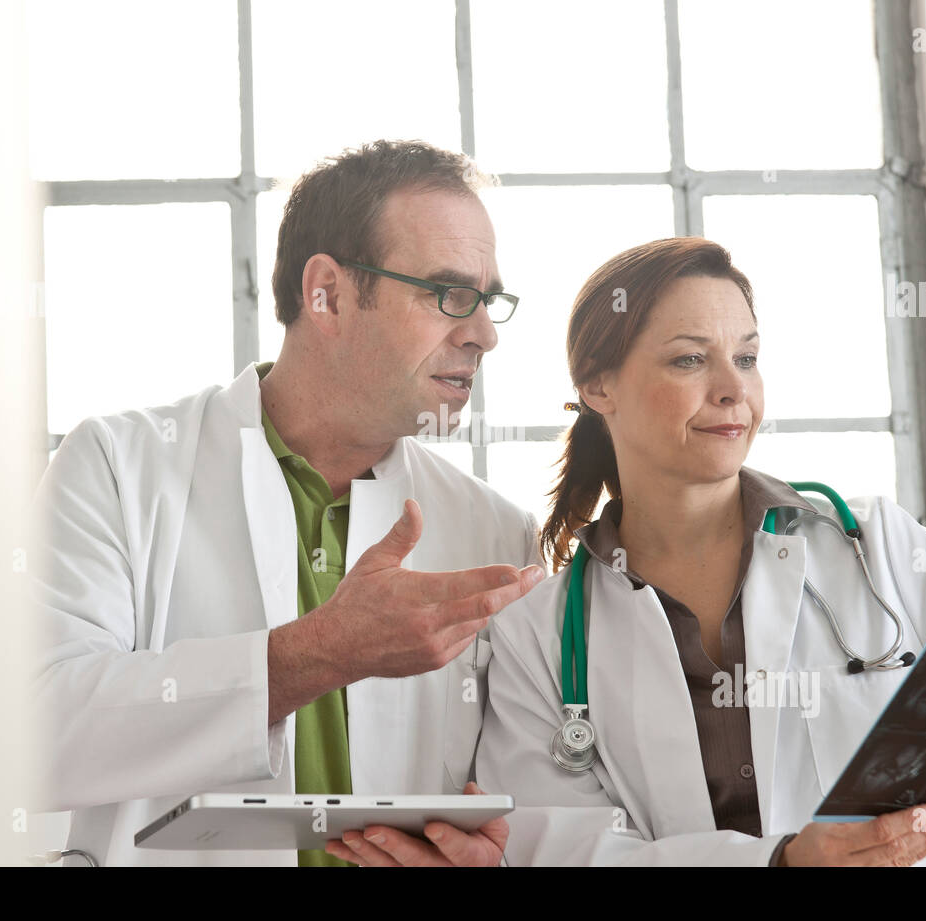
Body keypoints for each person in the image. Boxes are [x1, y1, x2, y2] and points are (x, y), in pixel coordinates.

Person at [28, 140, 544, 867]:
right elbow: (34, 733)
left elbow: (521, 803)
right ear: (326, 293)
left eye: (489, 302)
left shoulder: (497, 532)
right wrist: (317, 655)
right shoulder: (118, 467)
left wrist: (481, 858)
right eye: (449, 294)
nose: (484, 334)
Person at [474, 236, 926, 866]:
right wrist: (780, 864)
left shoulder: (881, 552)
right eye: (689, 360)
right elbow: (558, 852)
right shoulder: (537, 639)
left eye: (746, 357)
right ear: (599, 386)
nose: (731, 389)